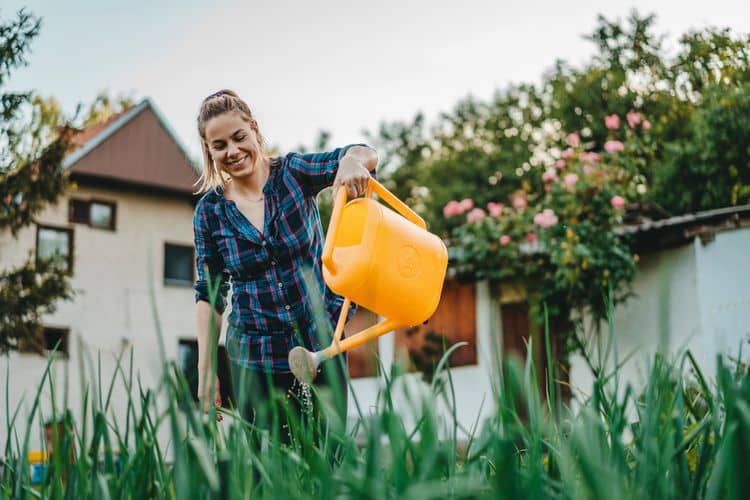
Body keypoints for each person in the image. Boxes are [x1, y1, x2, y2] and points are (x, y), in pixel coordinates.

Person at [192, 89, 377, 440]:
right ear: (209, 151)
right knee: (269, 474)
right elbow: (209, 292)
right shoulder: (210, 213)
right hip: (254, 359)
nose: (232, 151)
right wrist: (206, 370)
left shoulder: (293, 173)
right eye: (219, 146)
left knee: (328, 460)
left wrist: (353, 162)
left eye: (238, 137)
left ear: (254, 130)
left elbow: (362, 153)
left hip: (321, 345)